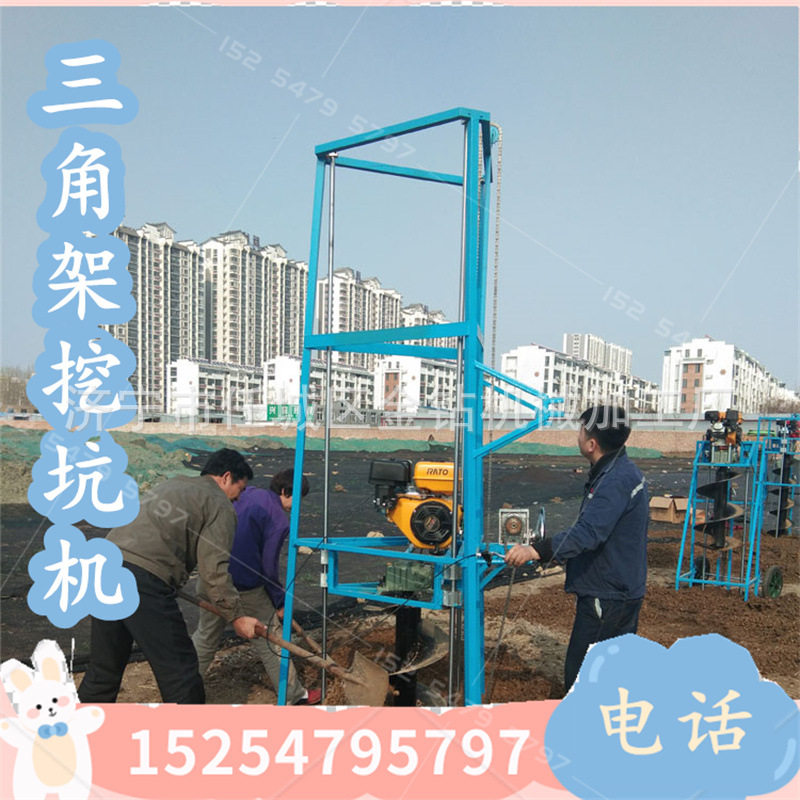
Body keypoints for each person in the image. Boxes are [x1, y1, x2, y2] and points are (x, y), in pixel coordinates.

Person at [78, 449, 262, 704]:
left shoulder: (173, 484)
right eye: (239, 490)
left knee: (104, 670)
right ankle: (186, 728)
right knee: (181, 674)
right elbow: (214, 571)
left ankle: (75, 728)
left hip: (103, 570)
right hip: (142, 580)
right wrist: (237, 616)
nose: (238, 499)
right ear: (226, 477)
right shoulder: (219, 503)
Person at [504, 405, 649, 693]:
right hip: (620, 587)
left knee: (583, 677)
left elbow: (588, 533)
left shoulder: (615, 481)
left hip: (608, 594)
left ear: (592, 444)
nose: (578, 435)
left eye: (581, 430)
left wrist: (536, 551)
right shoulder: (620, 472)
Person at [192, 469, 321, 705]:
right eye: (297, 499)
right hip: (243, 588)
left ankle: (183, 688)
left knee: (206, 636)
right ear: (285, 492)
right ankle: (294, 696)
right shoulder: (278, 519)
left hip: (212, 577)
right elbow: (268, 566)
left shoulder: (246, 493)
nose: (298, 507)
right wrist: (279, 601)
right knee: (271, 639)